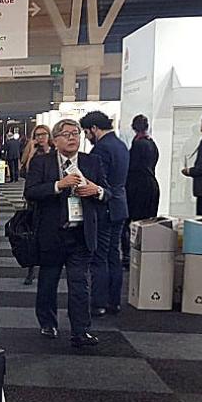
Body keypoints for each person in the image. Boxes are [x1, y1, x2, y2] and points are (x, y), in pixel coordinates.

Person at [24, 119, 106, 347]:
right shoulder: (42, 163)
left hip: (81, 234)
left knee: (79, 284)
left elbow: (107, 194)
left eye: (76, 133)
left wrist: (96, 191)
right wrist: (58, 185)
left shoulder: (92, 162)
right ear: (56, 140)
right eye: (67, 134)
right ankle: (48, 323)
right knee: (48, 283)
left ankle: (81, 331)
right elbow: (30, 192)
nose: (72, 138)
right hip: (52, 234)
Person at [81, 111, 129, 317]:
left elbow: (98, 181)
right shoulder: (121, 145)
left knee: (99, 256)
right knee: (113, 256)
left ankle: (99, 302)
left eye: (85, 132)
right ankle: (114, 302)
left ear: (93, 128)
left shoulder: (101, 149)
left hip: (104, 206)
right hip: (120, 206)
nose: (86, 137)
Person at [19, 125, 54, 285]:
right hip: (35, 200)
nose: (40, 138)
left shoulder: (55, 152)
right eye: (37, 135)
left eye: (43, 134)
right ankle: (31, 270)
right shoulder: (33, 152)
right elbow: (25, 172)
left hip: (53, 197)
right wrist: (32, 151)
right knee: (32, 234)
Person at [126, 115, 160, 262]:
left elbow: (132, 167)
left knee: (134, 222)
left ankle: (132, 256)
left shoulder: (139, 144)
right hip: (151, 185)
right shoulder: (151, 143)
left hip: (138, 187)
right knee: (147, 223)